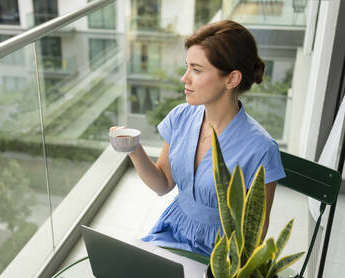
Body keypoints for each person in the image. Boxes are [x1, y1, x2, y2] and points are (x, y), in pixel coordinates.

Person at [111, 20, 286, 257]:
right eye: (187, 67)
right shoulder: (180, 116)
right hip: (171, 231)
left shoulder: (261, 149)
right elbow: (163, 184)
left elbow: (254, 238)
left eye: (197, 69)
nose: (185, 78)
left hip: (220, 257)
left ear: (232, 79)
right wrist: (133, 149)